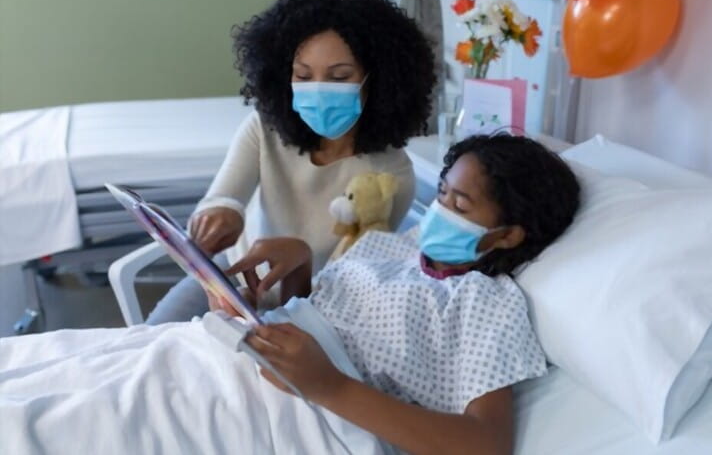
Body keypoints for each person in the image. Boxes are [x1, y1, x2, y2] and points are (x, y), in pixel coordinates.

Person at [0, 135, 580, 455]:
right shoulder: (389, 248)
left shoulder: (487, 304)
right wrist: (286, 281)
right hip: (226, 356)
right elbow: (320, 321)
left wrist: (328, 385)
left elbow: (485, 447)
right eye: (444, 194)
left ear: (506, 235)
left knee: (65, 427)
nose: (440, 212)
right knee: (49, 370)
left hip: (300, 414)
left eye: (458, 205)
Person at [146, 0, 436, 323]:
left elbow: (350, 288)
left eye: (339, 77)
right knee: (144, 343)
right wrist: (219, 215)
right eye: (303, 75)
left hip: (312, 306)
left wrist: (289, 280)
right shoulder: (264, 129)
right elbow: (222, 198)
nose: (318, 88)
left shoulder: (390, 176)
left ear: (380, 82)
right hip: (233, 276)